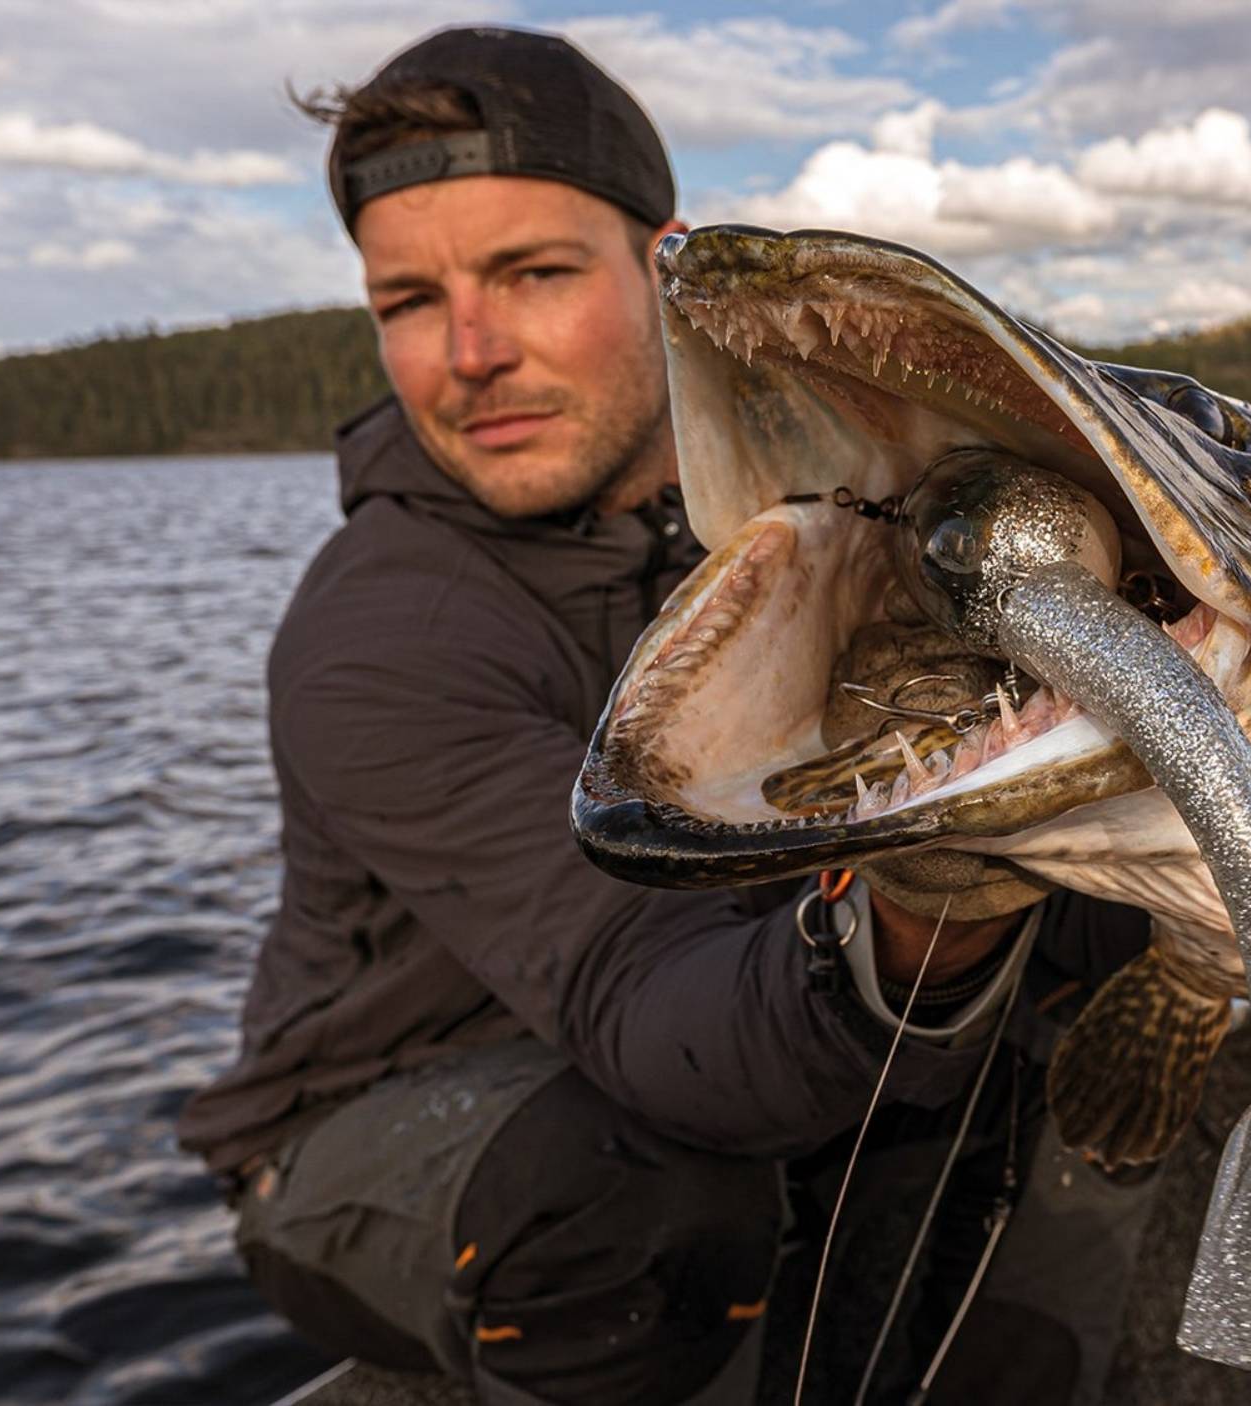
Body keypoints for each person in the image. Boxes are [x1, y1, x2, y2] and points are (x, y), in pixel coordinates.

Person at [175, 26, 1155, 1406]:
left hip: (711, 987)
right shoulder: (378, 639)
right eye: (408, 299)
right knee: (634, 1205)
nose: (470, 352)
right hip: (381, 1109)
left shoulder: (788, 520)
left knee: (1099, 984)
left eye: (534, 273)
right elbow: (637, 996)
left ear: (665, 265)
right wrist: (928, 906)